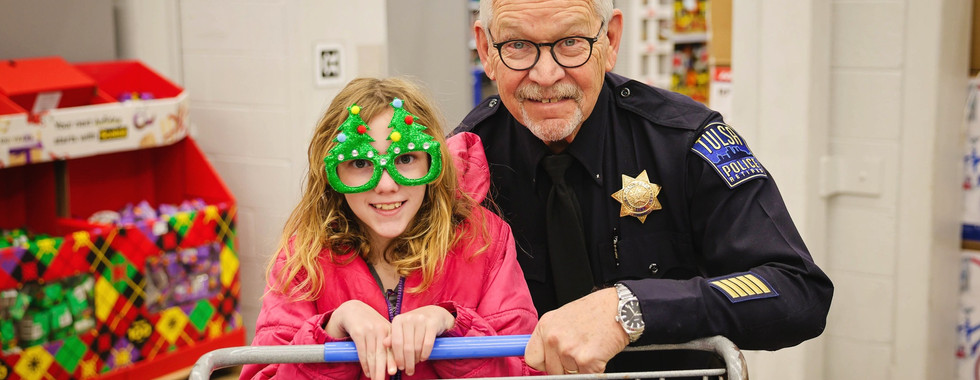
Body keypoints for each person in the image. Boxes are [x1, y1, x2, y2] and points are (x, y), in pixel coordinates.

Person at [451, 0, 834, 375]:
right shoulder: (458, 165)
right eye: (518, 45)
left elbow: (798, 290)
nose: (546, 75)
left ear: (611, 40)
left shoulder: (684, 142)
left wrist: (632, 308)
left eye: (571, 43)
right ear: (486, 49)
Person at [242, 77, 538, 379]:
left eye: (406, 158)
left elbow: (526, 369)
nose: (386, 185)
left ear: (432, 164)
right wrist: (330, 334)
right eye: (360, 163)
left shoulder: (484, 244)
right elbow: (264, 374)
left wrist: (454, 327)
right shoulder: (304, 259)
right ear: (330, 172)